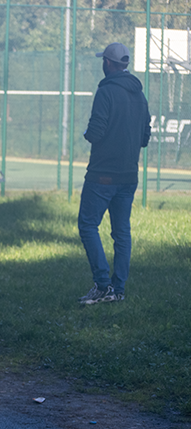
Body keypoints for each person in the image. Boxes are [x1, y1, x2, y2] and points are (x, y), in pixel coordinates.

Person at [78, 42, 151, 305]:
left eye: (103, 61)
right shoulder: (139, 95)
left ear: (108, 63)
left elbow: (96, 132)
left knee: (88, 225)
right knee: (121, 233)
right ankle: (118, 290)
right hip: (129, 176)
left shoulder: (106, 92)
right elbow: (145, 136)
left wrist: (88, 134)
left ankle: (102, 285)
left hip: (102, 175)